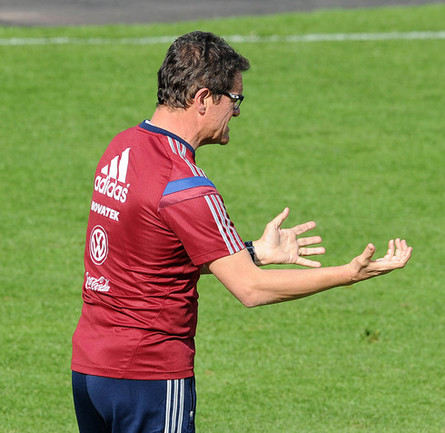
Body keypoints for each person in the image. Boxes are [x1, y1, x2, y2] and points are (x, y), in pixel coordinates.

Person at [71, 30, 412, 433]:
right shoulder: (186, 187)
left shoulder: (122, 148)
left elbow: (149, 256)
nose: (236, 112)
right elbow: (251, 290)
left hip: (91, 369)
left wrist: (253, 251)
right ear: (203, 99)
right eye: (235, 99)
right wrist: (348, 274)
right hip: (148, 375)